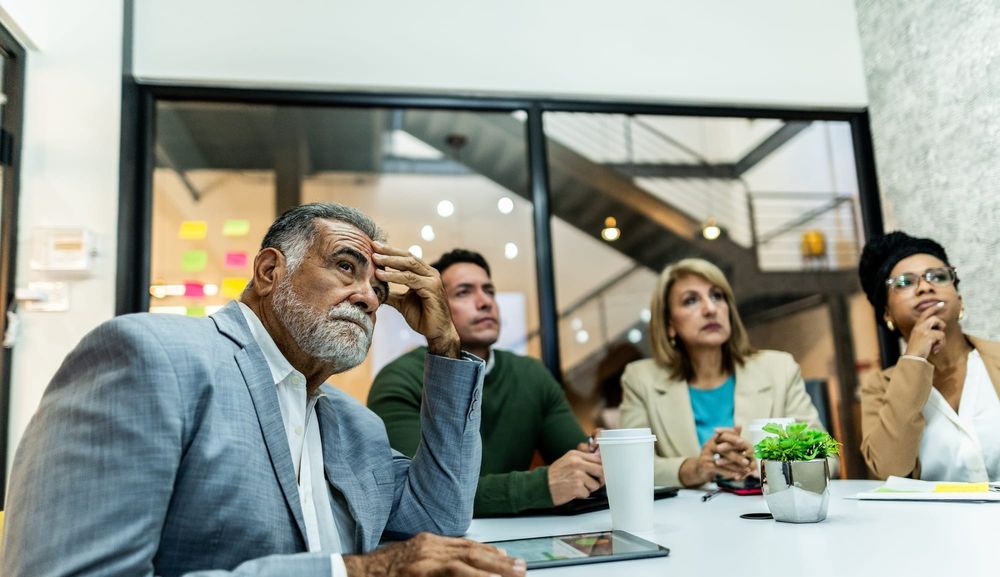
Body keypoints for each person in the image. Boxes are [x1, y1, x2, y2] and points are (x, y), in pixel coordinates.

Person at [2, 204, 525, 577]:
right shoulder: (151, 356)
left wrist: (445, 347)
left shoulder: (354, 425)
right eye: (346, 265)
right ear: (271, 270)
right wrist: (358, 572)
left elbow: (439, 518)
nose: (368, 296)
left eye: (380, 288)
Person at [368, 249, 602, 516]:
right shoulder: (399, 379)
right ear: (432, 304)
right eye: (464, 292)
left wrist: (598, 457)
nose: (485, 302)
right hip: (437, 542)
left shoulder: (530, 374)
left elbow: (579, 467)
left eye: (489, 291)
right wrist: (540, 486)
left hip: (521, 534)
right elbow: (418, 497)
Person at [619, 258, 826, 488]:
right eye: (691, 300)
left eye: (717, 296)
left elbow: (827, 457)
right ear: (670, 324)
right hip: (687, 520)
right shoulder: (640, 379)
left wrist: (761, 462)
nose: (710, 309)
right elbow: (628, 466)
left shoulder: (780, 368)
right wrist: (695, 468)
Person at [858, 231, 1000, 481]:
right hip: (936, 521)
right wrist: (914, 360)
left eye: (938, 276)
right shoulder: (879, 389)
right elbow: (890, 472)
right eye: (904, 282)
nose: (925, 287)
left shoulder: (994, 360)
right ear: (887, 314)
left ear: (959, 299)